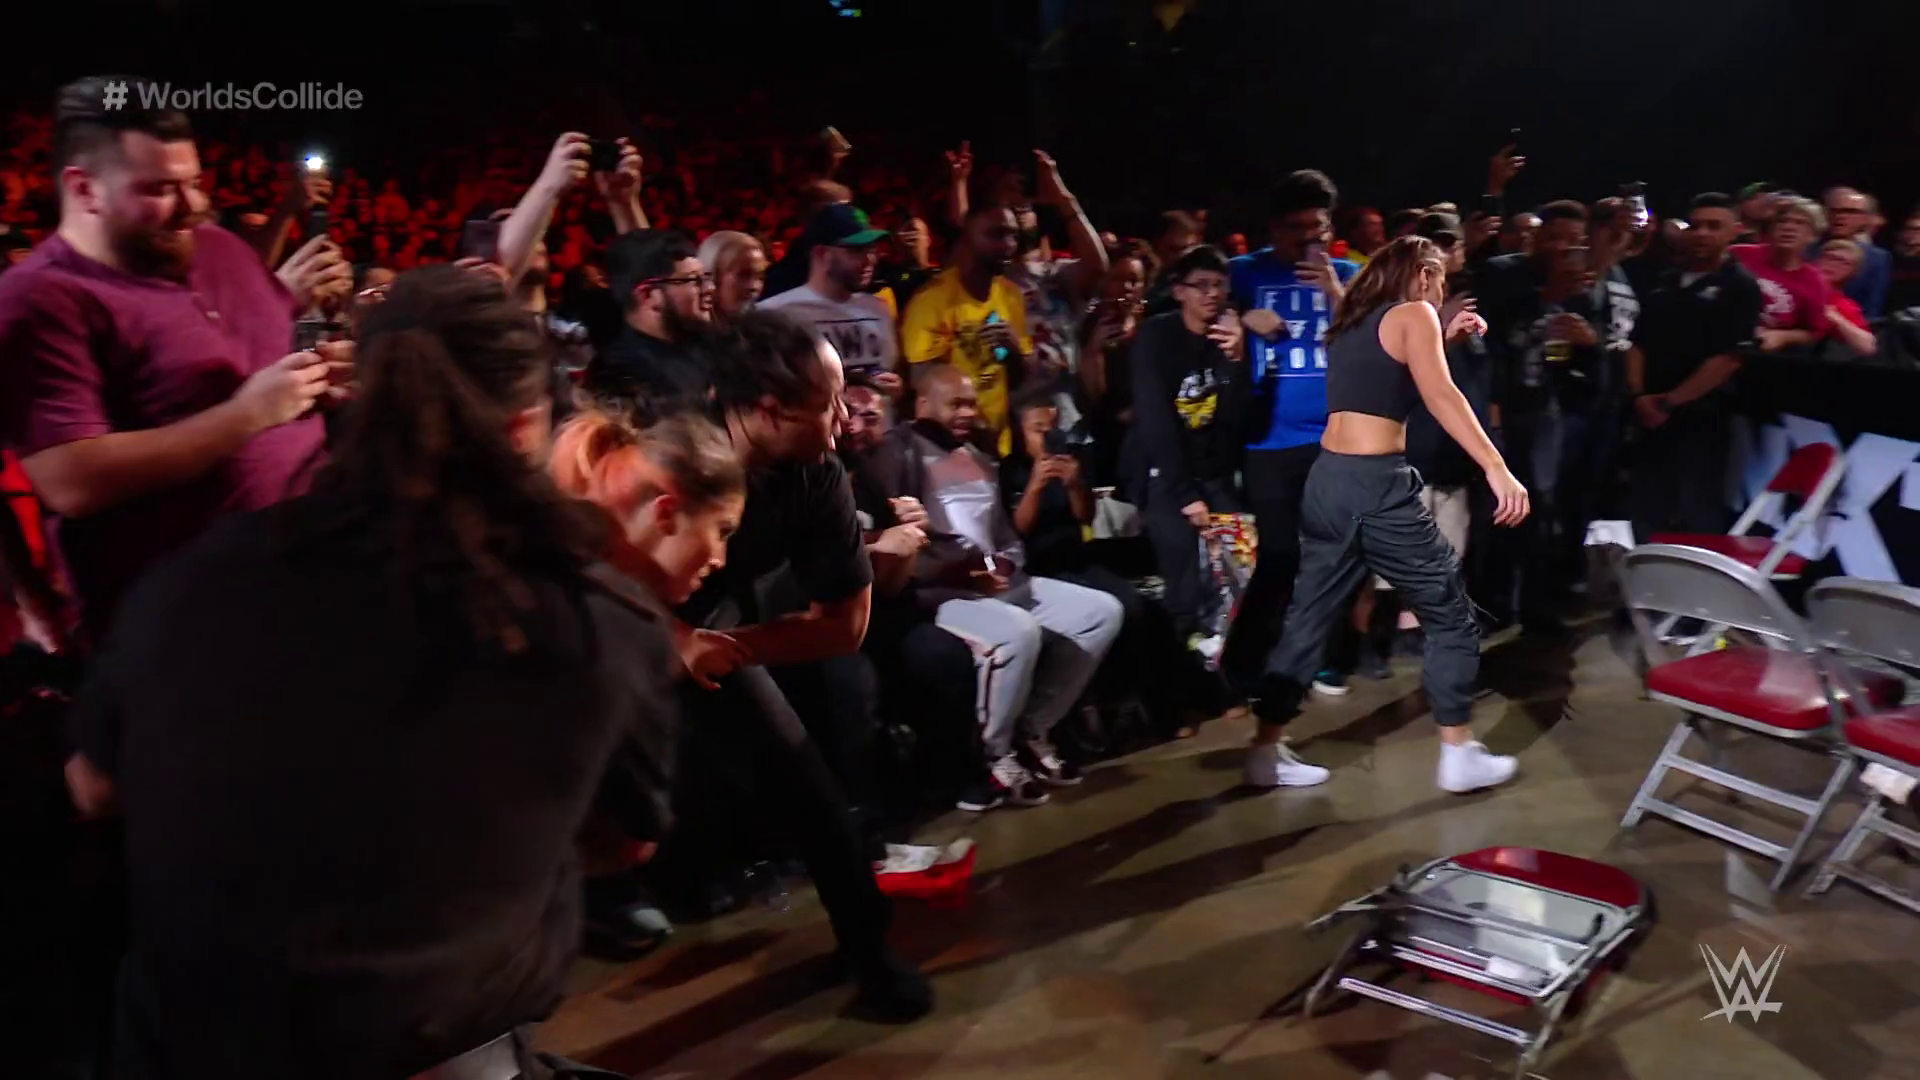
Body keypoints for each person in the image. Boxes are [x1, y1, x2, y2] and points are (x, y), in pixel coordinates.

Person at [64, 265, 683, 1079]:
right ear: (525, 427)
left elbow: (93, 788)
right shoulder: (599, 619)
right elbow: (627, 839)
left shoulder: (195, 578)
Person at [644, 309, 933, 1021]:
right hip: (607, 641)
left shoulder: (815, 476)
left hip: (707, 636)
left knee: (811, 791)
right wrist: (669, 636)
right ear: (769, 410)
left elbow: (845, 624)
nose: (847, 417)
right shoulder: (660, 453)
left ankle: (867, 949)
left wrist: (721, 646)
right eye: (829, 403)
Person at [0, 75, 350, 638]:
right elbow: (72, 478)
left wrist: (323, 374)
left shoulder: (219, 247)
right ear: (84, 189)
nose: (194, 206)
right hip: (185, 626)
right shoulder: (40, 297)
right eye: (161, 189)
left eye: (195, 182)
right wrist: (246, 416)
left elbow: (273, 345)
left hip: (305, 574)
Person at [1246, 236, 1530, 794]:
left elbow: (1387, 381)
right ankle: (1459, 752)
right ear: (1422, 274)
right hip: (1375, 487)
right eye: (1441, 278)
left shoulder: (1353, 321)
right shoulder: (1413, 312)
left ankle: (1264, 750)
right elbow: (1442, 395)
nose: (1443, 289)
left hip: (1328, 481)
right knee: (1450, 612)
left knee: (1309, 618)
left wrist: (1443, 337)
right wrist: (1497, 467)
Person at [859, 364, 1125, 810]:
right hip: (944, 592)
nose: (968, 412)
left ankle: (1032, 729)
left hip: (998, 580)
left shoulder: (978, 456)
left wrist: (1004, 561)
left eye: (971, 403)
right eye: (956, 403)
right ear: (923, 404)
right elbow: (906, 545)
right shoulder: (897, 453)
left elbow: (1003, 533)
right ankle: (992, 755)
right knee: (1017, 632)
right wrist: (964, 570)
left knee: (1100, 612)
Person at [1220, 170, 1362, 690]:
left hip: (1336, 438)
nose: (1307, 239)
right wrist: (1240, 319)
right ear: (1274, 228)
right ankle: (1246, 664)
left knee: (1338, 553)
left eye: (1316, 228)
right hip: (1268, 442)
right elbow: (1193, 310)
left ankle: (1322, 657)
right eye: (1295, 229)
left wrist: (1333, 289)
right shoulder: (1243, 272)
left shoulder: (1348, 273)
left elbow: (1369, 339)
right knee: (1279, 557)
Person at [1129, 245, 1254, 656]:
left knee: (1239, 571)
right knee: (1183, 584)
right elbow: (1155, 420)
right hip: (1165, 474)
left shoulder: (1231, 337)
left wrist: (1237, 359)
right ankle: (1179, 677)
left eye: (1219, 285)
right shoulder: (1156, 336)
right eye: (1201, 285)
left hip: (1215, 473)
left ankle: (1226, 666)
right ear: (1179, 291)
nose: (1211, 293)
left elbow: (1237, 420)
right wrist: (1186, 495)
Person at [1625, 193, 1764, 541]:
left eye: (1714, 226)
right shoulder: (1665, 279)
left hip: (1702, 416)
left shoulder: (1740, 286)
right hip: (1646, 412)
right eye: (1696, 225)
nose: (1702, 233)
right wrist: (1639, 396)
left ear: (1734, 231)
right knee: (1645, 503)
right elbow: (1638, 342)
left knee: (1697, 506)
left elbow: (1729, 358)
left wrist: (1670, 402)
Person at [900, 204, 1032, 456]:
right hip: (948, 448)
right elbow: (923, 387)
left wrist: (1013, 349)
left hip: (999, 444)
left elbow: (1018, 379)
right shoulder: (932, 301)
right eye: (996, 234)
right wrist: (974, 429)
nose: (1009, 244)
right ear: (968, 238)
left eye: (1013, 235)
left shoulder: (1011, 295)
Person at [759, 204, 902, 391]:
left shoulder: (878, 309)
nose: (870, 260)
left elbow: (892, 372)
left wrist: (896, 389)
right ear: (822, 254)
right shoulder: (774, 314)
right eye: (856, 250)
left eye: (872, 250)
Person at [586, 229, 716, 415]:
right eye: (694, 280)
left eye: (706, 277)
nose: (710, 288)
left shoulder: (704, 343)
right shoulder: (617, 376)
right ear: (647, 295)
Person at [1731, 196, 1831, 350]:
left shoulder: (1814, 281)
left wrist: (1783, 336)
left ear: (1813, 236)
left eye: (1800, 222)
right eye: (1782, 221)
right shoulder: (1739, 254)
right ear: (1770, 229)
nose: (1789, 227)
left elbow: (1815, 332)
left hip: (1762, 353)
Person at [1822, 186, 1891, 318]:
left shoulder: (1877, 258)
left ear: (1865, 218)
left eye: (1851, 212)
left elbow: (1872, 308)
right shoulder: (1806, 248)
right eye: (1835, 210)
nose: (1841, 216)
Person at [1815, 239, 1881, 357]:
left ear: (1853, 272)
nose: (1833, 264)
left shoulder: (1844, 306)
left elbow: (1867, 346)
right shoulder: (1795, 283)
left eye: (1843, 262)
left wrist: (1834, 317)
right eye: (1829, 257)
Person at [696, 230, 768, 323]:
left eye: (760, 277)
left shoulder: (768, 327)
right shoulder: (687, 329)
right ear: (711, 276)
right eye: (743, 275)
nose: (755, 286)